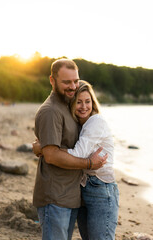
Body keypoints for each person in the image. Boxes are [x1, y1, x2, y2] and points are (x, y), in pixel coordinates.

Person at [33, 79, 119, 240]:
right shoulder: (80, 124)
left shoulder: (96, 121)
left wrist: (46, 149)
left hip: (101, 188)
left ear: (93, 102)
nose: (84, 106)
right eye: (78, 102)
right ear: (72, 104)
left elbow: (79, 153)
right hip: (84, 186)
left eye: (88, 101)